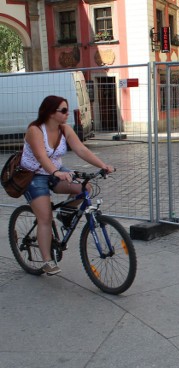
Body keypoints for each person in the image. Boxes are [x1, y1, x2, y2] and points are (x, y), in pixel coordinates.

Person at [20, 95, 115, 275]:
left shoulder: (64, 129)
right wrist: (56, 173)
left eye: (67, 110)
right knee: (45, 218)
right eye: (63, 110)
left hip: (57, 170)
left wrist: (102, 165)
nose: (67, 114)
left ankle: (65, 215)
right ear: (50, 112)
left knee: (85, 188)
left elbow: (81, 149)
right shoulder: (35, 130)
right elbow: (41, 156)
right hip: (34, 175)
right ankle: (47, 261)